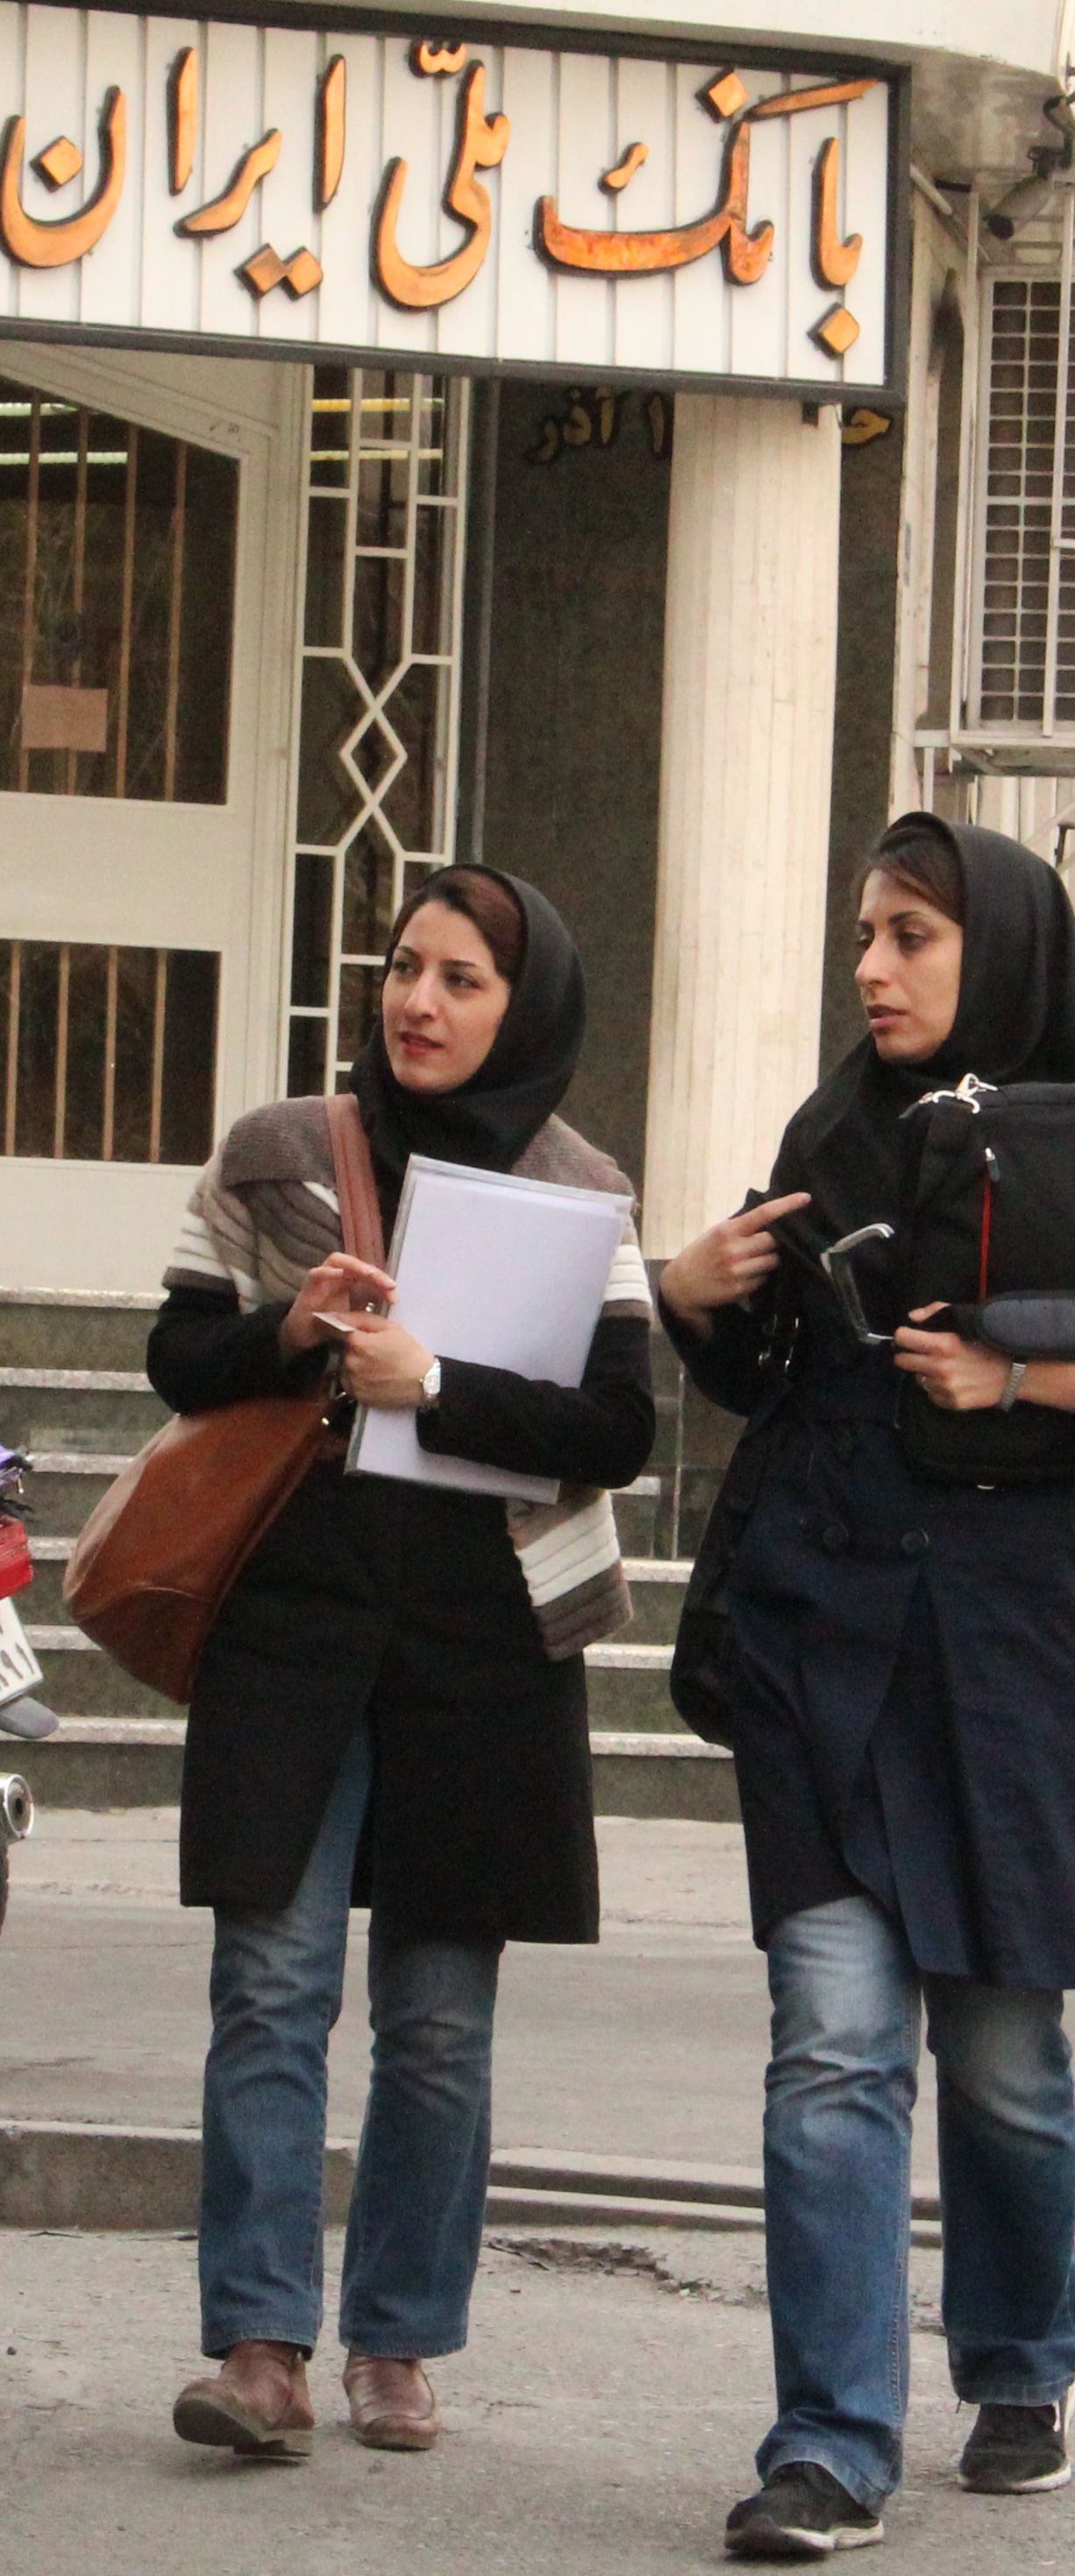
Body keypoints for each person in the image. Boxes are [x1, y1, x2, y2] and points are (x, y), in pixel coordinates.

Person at [659, 814, 1075, 2561]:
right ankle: (831, 2440)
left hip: (1011, 1654)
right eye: (865, 929)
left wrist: (1032, 1383)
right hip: (823, 1638)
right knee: (834, 2046)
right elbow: (776, 1371)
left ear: (994, 949)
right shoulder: (829, 1130)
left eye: (913, 934)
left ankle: (1018, 2358)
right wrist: (697, 1299)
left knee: (1003, 2059)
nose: (872, 964)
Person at [152, 867, 656, 2462]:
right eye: (402, 967)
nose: (419, 1002)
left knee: (438, 2014)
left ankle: (398, 2341)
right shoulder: (278, 1152)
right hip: (293, 1619)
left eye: (462, 979)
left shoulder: (584, 1191)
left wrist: (434, 1378)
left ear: (529, 1007)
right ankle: (256, 2346)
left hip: (481, 1641)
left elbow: (618, 1429)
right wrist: (292, 1332)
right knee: (272, 1983)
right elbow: (175, 1352)